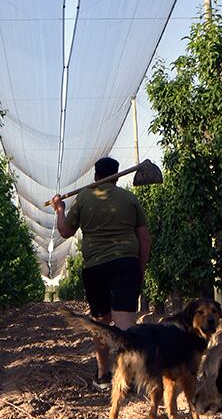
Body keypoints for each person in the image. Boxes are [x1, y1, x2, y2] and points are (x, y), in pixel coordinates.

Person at [52, 156, 151, 389]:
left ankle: (103, 374)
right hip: (126, 262)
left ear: (95, 176)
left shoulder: (85, 197)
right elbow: (144, 239)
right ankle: (132, 375)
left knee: (101, 321)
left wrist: (59, 209)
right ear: (116, 177)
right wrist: (140, 267)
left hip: (95, 266)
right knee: (125, 319)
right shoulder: (129, 199)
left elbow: (65, 231)